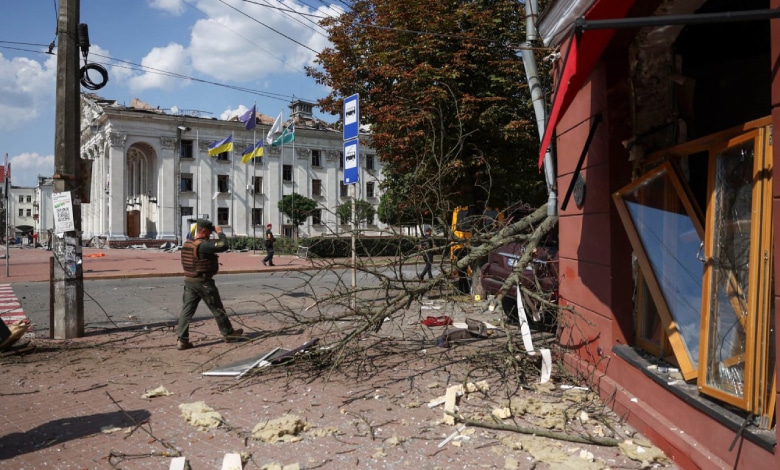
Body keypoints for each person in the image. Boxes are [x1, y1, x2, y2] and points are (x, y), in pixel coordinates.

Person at [176, 219, 243, 350]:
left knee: (186, 311)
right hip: (203, 282)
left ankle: (182, 340)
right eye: (209, 232)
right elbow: (223, 245)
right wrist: (220, 232)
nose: (209, 235)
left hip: (189, 281)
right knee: (217, 309)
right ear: (204, 231)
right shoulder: (203, 245)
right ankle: (228, 333)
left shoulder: (188, 243)